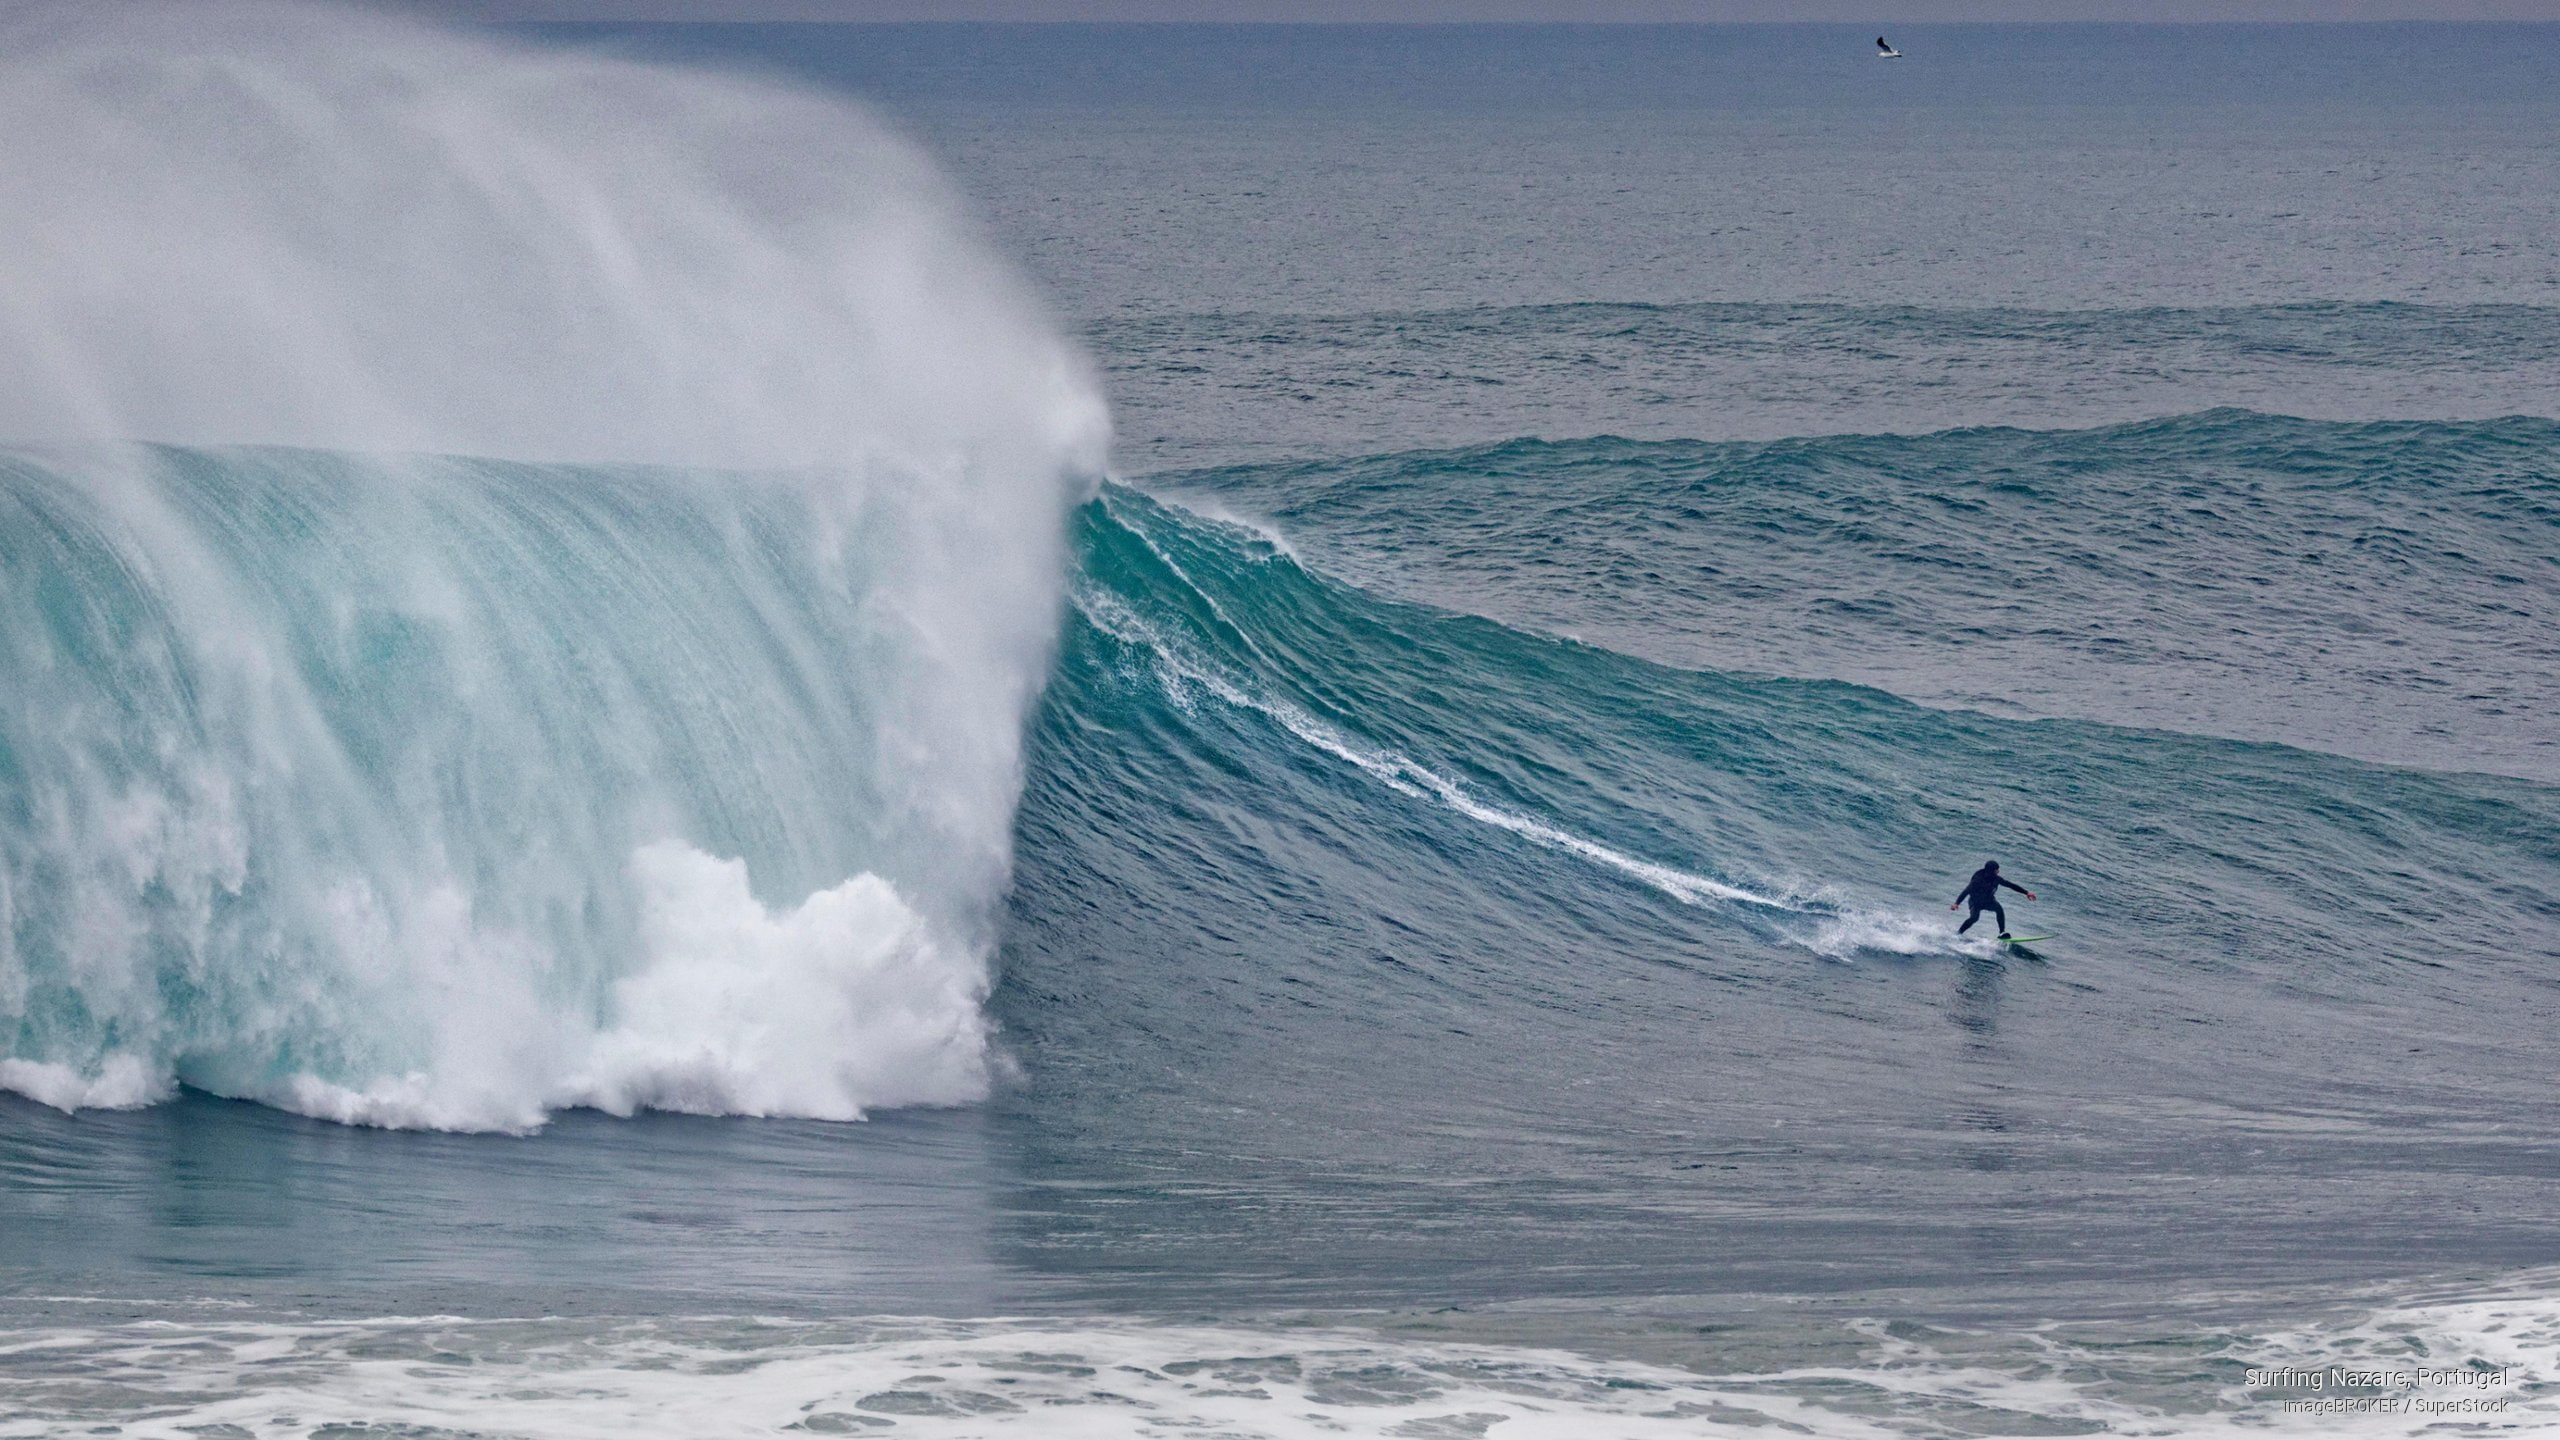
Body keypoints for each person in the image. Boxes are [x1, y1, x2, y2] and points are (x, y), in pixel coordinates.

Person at [1950, 861, 2035, 938]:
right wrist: (1957, 903)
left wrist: (2026, 892)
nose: (1998, 871)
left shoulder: (1996, 878)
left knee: (1999, 909)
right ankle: (1959, 933)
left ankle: (2002, 933)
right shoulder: (1978, 879)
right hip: (1975, 902)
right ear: (1991, 871)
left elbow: (2010, 885)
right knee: (1974, 918)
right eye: (1996, 870)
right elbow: (1967, 890)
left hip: (1989, 901)